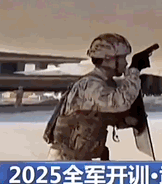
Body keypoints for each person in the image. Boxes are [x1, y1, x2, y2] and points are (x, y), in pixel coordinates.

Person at [43, 33, 153, 161]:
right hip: (66, 160)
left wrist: (127, 120)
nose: (126, 63)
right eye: (122, 58)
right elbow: (119, 102)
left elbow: (98, 116)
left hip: (76, 158)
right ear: (108, 60)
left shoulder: (102, 84)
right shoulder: (90, 85)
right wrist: (135, 69)